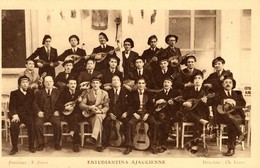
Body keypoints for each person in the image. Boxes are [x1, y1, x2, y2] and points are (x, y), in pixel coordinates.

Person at [124, 77, 159, 155]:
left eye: (142, 83)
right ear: (136, 84)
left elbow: (151, 106)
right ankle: (129, 146)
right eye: (139, 83)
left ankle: (154, 145)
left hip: (146, 113)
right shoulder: (132, 94)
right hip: (136, 113)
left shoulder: (149, 94)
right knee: (130, 123)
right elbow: (129, 105)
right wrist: (134, 113)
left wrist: (147, 114)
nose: (141, 85)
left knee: (154, 123)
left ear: (145, 84)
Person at [214, 76, 246, 156]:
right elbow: (212, 101)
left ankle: (231, 148)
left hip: (236, 115)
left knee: (231, 121)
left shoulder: (238, 93)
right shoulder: (218, 93)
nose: (228, 84)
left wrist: (234, 102)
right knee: (229, 118)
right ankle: (239, 135)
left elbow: (243, 104)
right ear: (222, 84)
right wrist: (223, 100)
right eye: (226, 82)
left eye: (230, 82)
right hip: (223, 116)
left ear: (233, 84)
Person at [182, 71, 213, 153]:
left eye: (199, 78)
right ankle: (201, 121)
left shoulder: (206, 91)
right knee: (188, 112)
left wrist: (206, 102)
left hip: (201, 113)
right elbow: (182, 99)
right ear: (193, 81)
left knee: (198, 119)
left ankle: (195, 144)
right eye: (195, 78)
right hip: (189, 113)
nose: (197, 80)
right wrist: (185, 103)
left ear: (202, 80)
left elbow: (211, 103)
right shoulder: (188, 89)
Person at [79, 77, 109, 152]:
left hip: (100, 113)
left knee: (98, 117)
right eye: (94, 83)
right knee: (97, 121)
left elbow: (106, 106)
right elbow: (81, 105)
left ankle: (94, 138)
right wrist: (89, 107)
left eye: (97, 83)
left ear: (100, 84)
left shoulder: (104, 93)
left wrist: (101, 111)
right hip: (90, 114)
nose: (95, 84)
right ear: (91, 84)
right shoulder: (87, 92)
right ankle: (98, 144)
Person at [9, 76, 36, 155]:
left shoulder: (31, 92)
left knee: (32, 124)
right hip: (18, 115)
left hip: (28, 115)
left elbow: (34, 105)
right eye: (23, 82)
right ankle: (14, 147)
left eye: (27, 82)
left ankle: (31, 145)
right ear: (19, 84)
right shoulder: (14, 93)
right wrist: (14, 114)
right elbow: (11, 106)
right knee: (13, 126)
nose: (25, 84)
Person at [33, 76, 62, 151]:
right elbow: (35, 104)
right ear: (43, 83)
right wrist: (38, 111)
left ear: (53, 82)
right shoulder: (39, 92)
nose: (48, 83)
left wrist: (58, 110)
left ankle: (57, 143)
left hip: (54, 114)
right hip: (43, 114)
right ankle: (40, 144)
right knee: (37, 124)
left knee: (57, 124)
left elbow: (62, 103)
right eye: (46, 81)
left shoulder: (58, 92)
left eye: (50, 81)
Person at [154, 78, 181, 152]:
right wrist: (157, 102)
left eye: (168, 82)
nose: (166, 84)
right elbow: (155, 107)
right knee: (155, 122)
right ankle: (155, 143)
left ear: (171, 84)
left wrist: (173, 104)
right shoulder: (159, 93)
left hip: (171, 114)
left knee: (165, 123)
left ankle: (162, 144)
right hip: (159, 114)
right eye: (165, 82)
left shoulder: (176, 93)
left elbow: (178, 107)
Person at [55, 77, 82, 152]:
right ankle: (75, 144)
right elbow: (58, 104)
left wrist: (80, 102)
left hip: (78, 114)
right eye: (71, 83)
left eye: (74, 83)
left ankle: (72, 133)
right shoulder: (64, 93)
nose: (73, 85)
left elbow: (83, 106)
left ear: (76, 85)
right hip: (67, 114)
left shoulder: (79, 93)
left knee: (75, 117)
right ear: (68, 85)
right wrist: (65, 108)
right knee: (74, 119)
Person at [102, 75, 130, 148]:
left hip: (123, 114)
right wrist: (110, 113)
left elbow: (130, 104)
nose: (115, 81)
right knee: (106, 121)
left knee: (128, 123)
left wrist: (127, 113)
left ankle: (128, 145)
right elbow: (106, 104)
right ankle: (105, 143)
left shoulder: (126, 91)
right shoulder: (108, 92)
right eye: (114, 80)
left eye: (117, 80)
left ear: (120, 82)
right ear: (111, 82)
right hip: (112, 114)